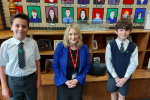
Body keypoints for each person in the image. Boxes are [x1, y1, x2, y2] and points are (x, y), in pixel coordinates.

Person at [0, 13, 42, 100]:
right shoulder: (5, 45)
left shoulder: (33, 43)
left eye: (24, 26)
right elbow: (2, 66)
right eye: (17, 26)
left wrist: (38, 78)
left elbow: (37, 62)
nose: (20, 29)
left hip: (30, 79)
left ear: (27, 28)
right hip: (13, 81)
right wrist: (4, 86)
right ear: (11, 27)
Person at [52, 24, 91, 100]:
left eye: (75, 34)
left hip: (77, 81)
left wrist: (77, 80)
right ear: (67, 36)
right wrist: (65, 81)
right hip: (63, 81)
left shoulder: (84, 48)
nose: (73, 37)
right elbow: (55, 66)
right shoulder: (60, 47)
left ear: (79, 35)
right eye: (70, 34)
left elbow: (87, 66)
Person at [105, 18, 138, 100]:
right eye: (121, 29)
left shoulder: (133, 46)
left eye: (126, 30)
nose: (124, 32)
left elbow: (134, 63)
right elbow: (108, 62)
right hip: (113, 76)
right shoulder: (110, 45)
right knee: (113, 93)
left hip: (125, 77)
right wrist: (116, 77)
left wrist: (125, 78)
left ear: (130, 31)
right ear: (116, 31)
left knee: (122, 95)